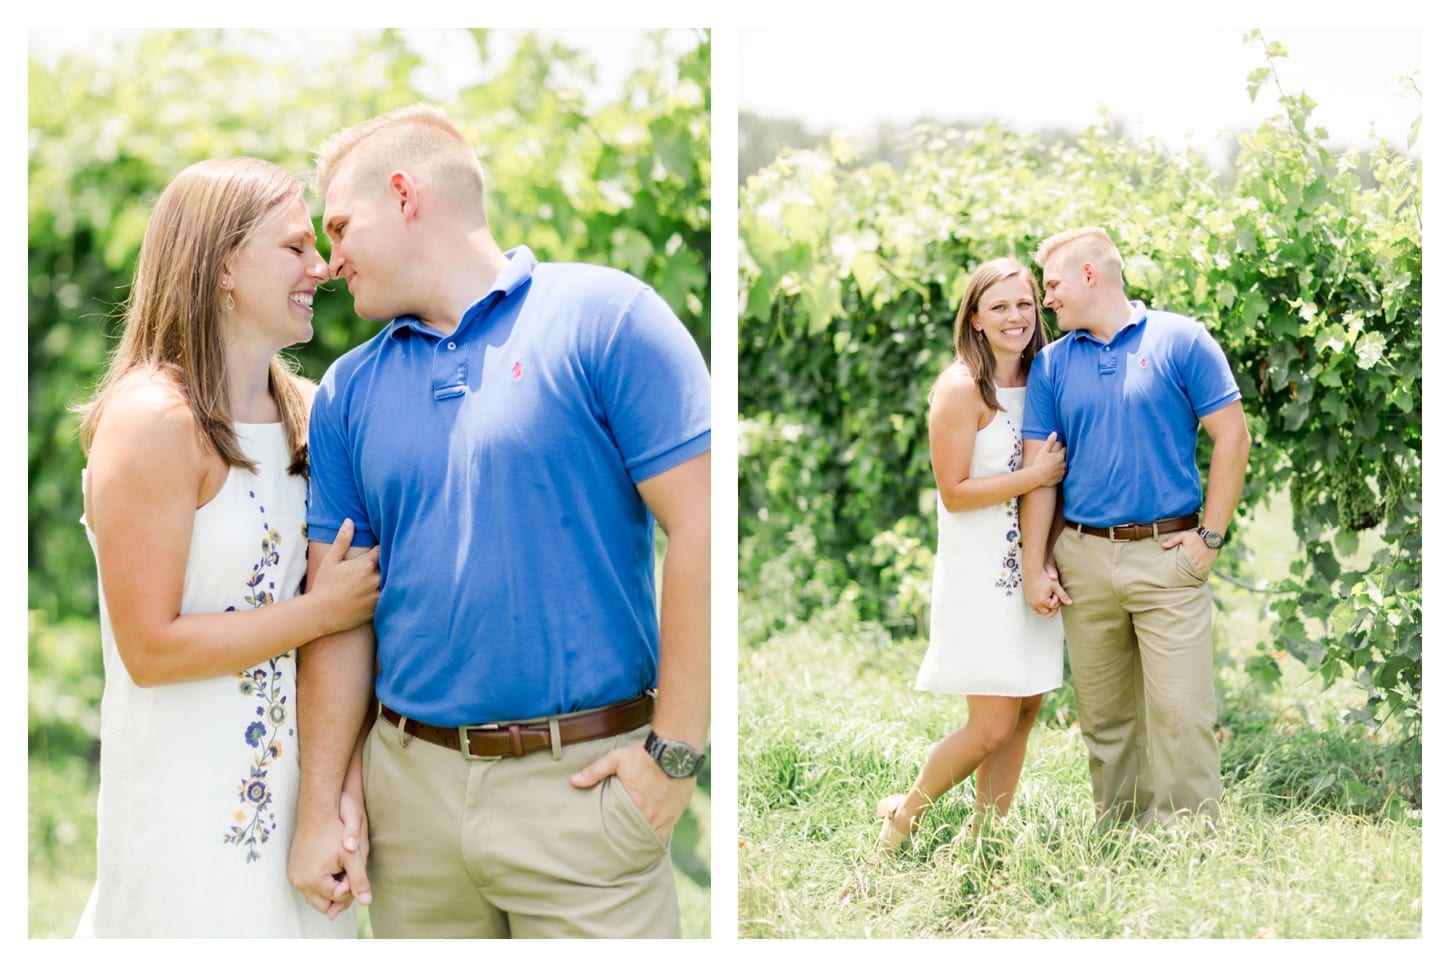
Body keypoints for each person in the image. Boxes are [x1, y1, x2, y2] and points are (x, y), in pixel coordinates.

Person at [285, 104, 711, 938]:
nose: (330, 261)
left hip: (584, 792)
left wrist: (676, 756)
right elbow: (339, 612)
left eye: (339, 226)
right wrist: (320, 807)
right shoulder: (345, 392)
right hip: (409, 803)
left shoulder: (606, 317)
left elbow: (699, 529)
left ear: (404, 195)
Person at [72, 157, 382, 938]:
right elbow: (151, 646)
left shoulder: (313, 413)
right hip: (187, 823)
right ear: (221, 268)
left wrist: (345, 792)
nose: (323, 267)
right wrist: (317, 611)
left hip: (303, 826)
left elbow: (349, 634)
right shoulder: (152, 420)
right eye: (293, 248)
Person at [1020, 226, 1250, 827]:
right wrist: (1036, 563)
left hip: (1168, 554)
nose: (1047, 300)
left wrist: (1210, 540)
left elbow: (1234, 438)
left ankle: (1189, 840)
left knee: (1181, 710)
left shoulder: (1182, 340)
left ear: (1090, 275)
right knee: (1105, 718)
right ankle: (1118, 833)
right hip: (1083, 560)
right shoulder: (1050, 365)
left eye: (1052, 284)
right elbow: (1040, 474)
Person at [875, 257, 1067, 853]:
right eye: (1000, 306)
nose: (1015, 317)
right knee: (990, 723)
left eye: (1025, 304)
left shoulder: (1043, 380)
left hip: (1033, 566)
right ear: (976, 319)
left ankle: (985, 839)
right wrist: (1034, 476)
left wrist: (1048, 555)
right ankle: (905, 815)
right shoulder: (962, 389)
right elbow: (954, 494)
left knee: (1028, 704)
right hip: (980, 575)